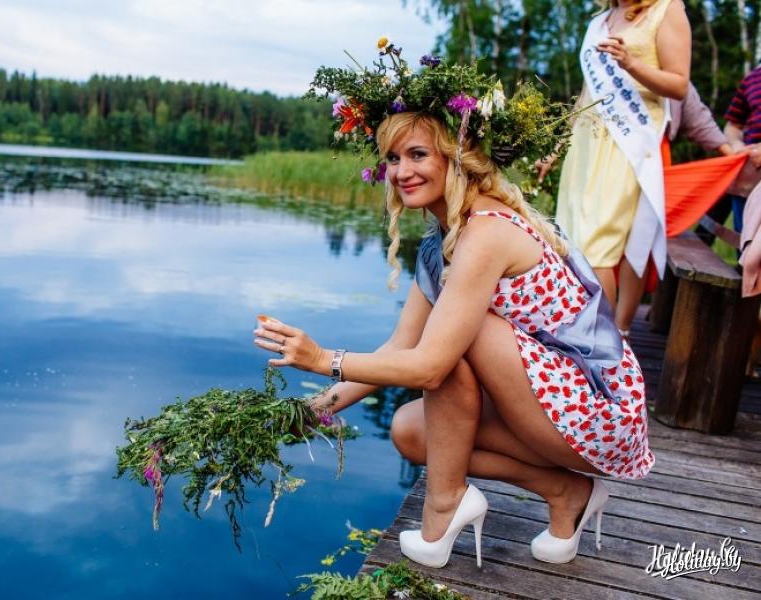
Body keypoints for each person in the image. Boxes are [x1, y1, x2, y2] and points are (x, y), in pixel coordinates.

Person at [254, 42, 654, 569]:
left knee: (455, 342)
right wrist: (312, 411)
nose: (401, 171)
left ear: (457, 156)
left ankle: (444, 506)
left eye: (418, 155)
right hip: (550, 403)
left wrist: (322, 358)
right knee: (411, 431)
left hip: (599, 412)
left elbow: (429, 365)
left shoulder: (485, 234)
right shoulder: (441, 242)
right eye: (392, 159)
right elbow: (399, 347)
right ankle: (565, 491)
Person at [541, 0, 691, 338]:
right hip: (586, 144)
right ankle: (586, 333)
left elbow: (679, 85)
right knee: (572, 241)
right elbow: (586, 94)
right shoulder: (601, 20)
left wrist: (631, 63)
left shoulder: (666, 9)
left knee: (596, 248)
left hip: (626, 144)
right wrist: (556, 148)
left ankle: (604, 343)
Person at [723, 65, 761, 235]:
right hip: (747, 178)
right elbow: (732, 125)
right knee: (745, 241)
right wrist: (737, 146)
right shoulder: (752, 78)